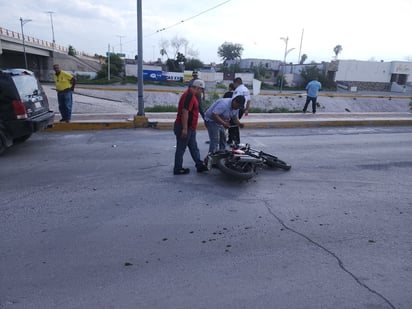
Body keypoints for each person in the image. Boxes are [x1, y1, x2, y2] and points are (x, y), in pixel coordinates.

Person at [173, 79, 208, 175]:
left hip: (190, 128)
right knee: (181, 148)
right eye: (202, 90)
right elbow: (185, 112)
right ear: (197, 88)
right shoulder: (189, 96)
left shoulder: (192, 96)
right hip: (185, 127)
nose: (202, 92)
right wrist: (184, 129)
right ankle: (178, 168)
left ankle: (199, 164)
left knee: (194, 147)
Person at [228, 77, 251, 144]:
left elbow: (234, 100)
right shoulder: (246, 89)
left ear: (236, 83)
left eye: (234, 84)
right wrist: (246, 109)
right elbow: (249, 100)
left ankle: (234, 140)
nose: (234, 86)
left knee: (233, 123)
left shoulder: (238, 90)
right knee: (234, 123)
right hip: (242, 109)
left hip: (237, 108)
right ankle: (232, 139)